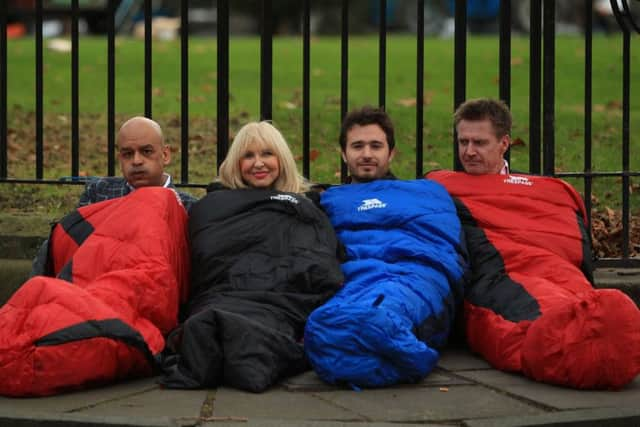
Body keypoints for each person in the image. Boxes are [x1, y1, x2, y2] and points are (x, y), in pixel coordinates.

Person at [428, 98, 640, 389]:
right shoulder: (442, 188)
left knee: (583, 303)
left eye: (479, 142)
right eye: (463, 142)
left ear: (504, 143)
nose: (469, 151)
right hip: (504, 277)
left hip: (556, 269)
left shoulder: (550, 191)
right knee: (538, 323)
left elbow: (574, 251)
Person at [160, 121, 343, 392]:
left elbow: (318, 258)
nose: (258, 163)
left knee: (253, 326)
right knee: (211, 318)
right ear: (236, 163)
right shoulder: (213, 206)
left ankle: (233, 350)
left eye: (267, 154)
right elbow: (208, 255)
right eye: (248, 156)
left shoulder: (304, 206)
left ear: (281, 159)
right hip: (224, 293)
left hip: (280, 301)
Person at [304, 106, 468, 388]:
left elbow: (447, 247)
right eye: (357, 146)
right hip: (356, 277)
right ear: (343, 153)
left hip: (415, 274)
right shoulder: (328, 201)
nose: (366, 154)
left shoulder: (426, 193)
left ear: (391, 153)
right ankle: (396, 354)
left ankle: (384, 348)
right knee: (330, 323)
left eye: (375, 145)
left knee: (376, 314)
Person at [78, 116, 196, 211]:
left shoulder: (189, 209)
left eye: (146, 151)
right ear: (120, 159)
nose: (136, 161)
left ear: (165, 155)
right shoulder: (98, 192)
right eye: (128, 154)